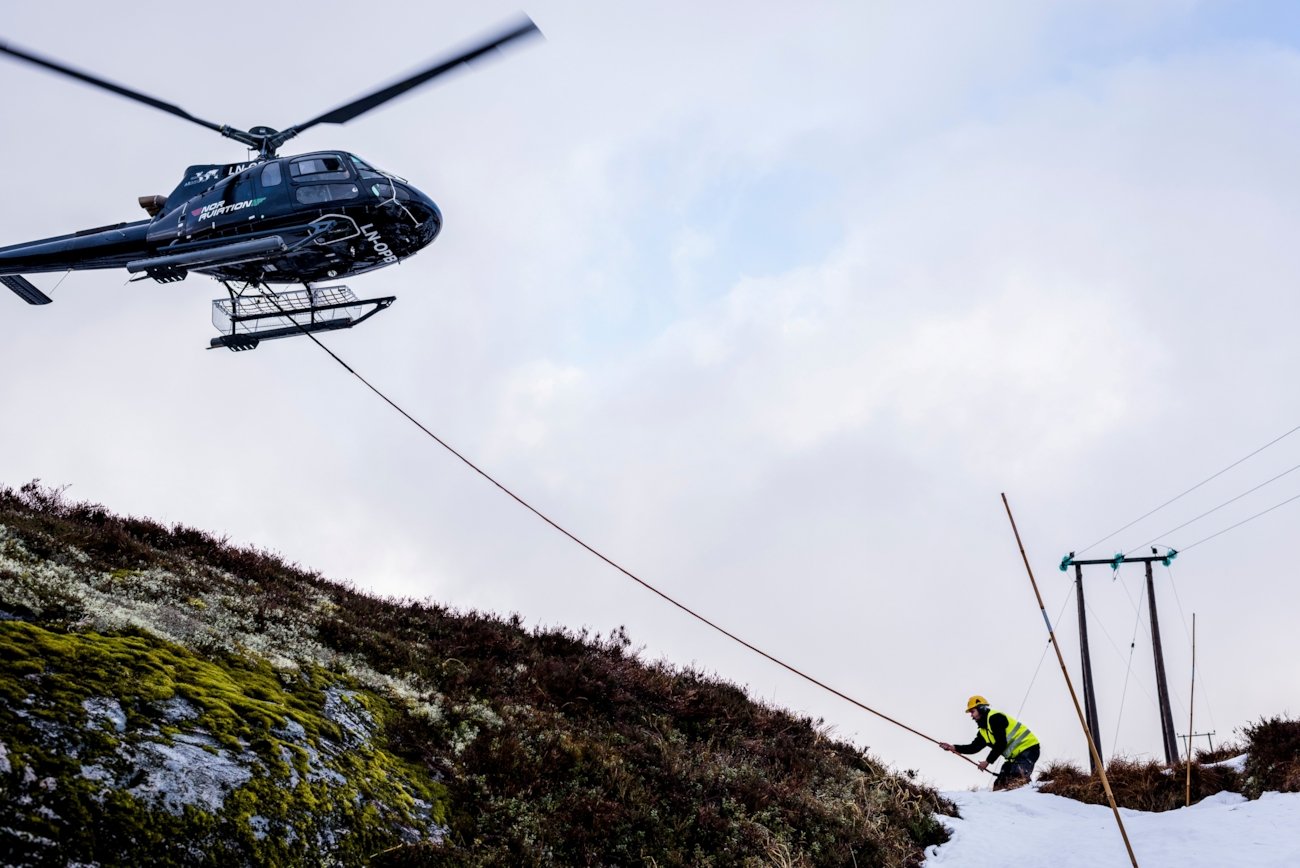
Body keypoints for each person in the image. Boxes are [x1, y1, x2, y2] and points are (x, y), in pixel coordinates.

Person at [939, 695, 1040, 791]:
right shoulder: (983, 731)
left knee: (1017, 780)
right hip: (1016, 757)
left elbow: (1001, 743)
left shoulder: (995, 718)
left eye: (972, 711)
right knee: (1000, 785)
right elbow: (973, 748)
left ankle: (1035, 793)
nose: (971, 716)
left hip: (1029, 749)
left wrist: (987, 762)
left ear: (981, 708)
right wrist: (953, 747)